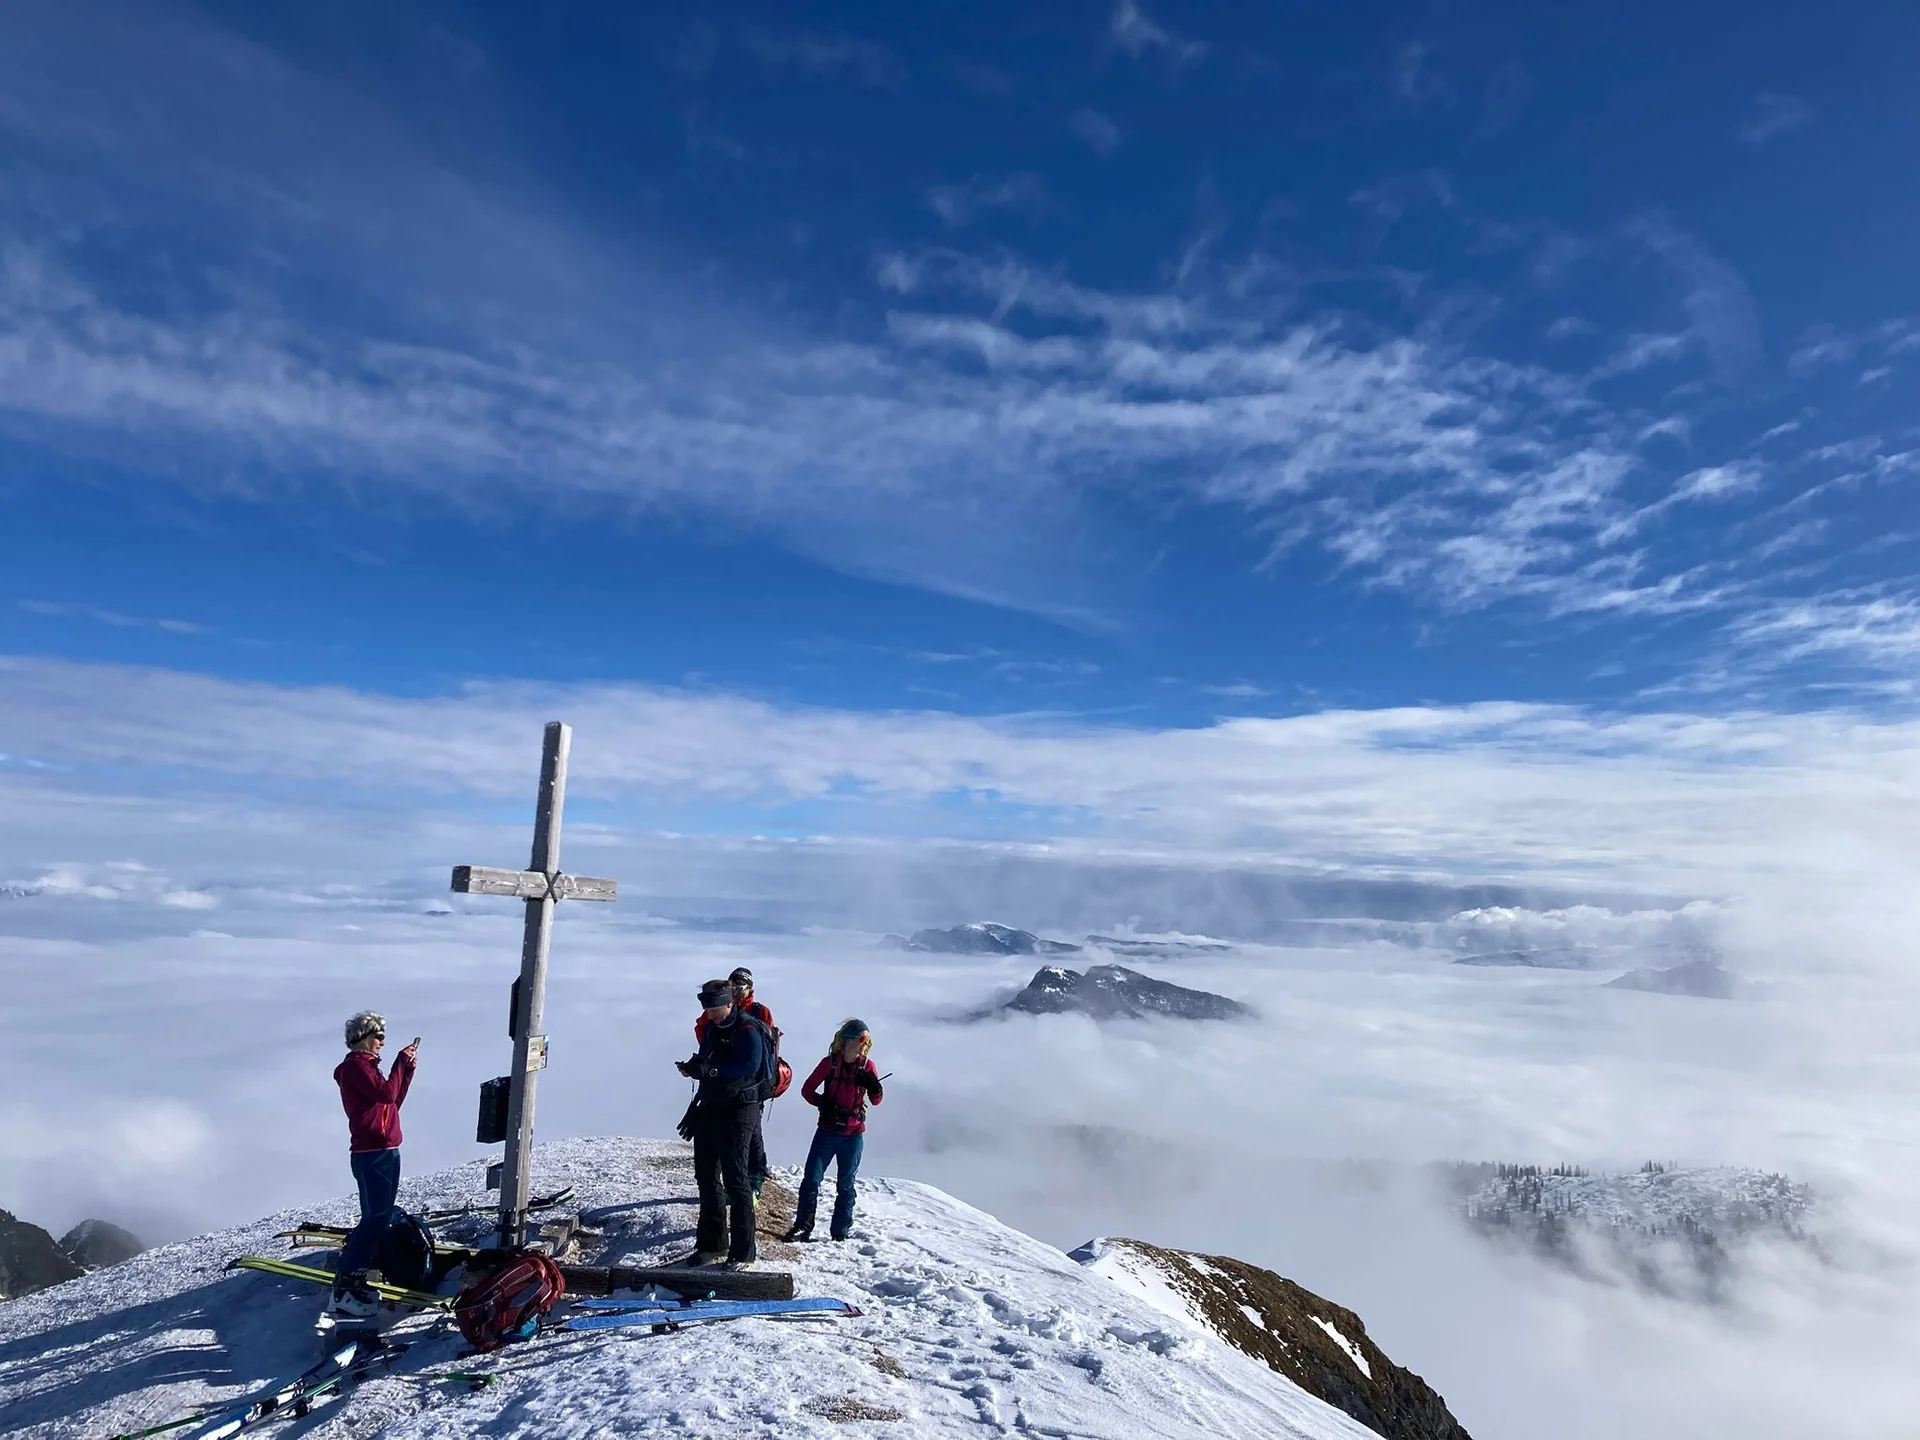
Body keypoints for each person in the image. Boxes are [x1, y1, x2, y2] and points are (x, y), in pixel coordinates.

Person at [676, 978, 769, 1269]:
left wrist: (711, 1070)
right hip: (712, 1107)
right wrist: (694, 1068)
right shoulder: (714, 1029)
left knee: (736, 1180)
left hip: (740, 1110)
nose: (711, 1013)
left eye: (715, 1007)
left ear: (730, 1003)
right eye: (707, 1007)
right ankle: (711, 1245)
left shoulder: (748, 1029)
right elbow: (706, 1059)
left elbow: (749, 1066)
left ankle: (743, 1254)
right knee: (706, 1177)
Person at [331, 1011, 418, 1318]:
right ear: (365, 1038)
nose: (382, 1041)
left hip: (382, 1149)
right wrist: (398, 1063)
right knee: (376, 1219)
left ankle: (356, 1272)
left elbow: (391, 1102)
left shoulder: (366, 1069)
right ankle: (345, 1285)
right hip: (375, 1152)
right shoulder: (357, 1067)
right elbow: (386, 1093)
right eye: (379, 1036)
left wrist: (405, 1072)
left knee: (376, 1216)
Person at [785, 1018, 883, 1243]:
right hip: (829, 1131)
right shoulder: (828, 1064)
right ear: (848, 1040)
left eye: (867, 1040)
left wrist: (874, 1086)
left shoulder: (867, 1067)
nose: (865, 1044)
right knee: (811, 1178)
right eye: (862, 1039)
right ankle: (803, 1226)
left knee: (845, 1185)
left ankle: (840, 1232)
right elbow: (807, 1090)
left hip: (853, 1134)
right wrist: (824, 1104)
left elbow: (876, 1100)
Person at [694, 967, 776, 1202]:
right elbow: (704, 1032)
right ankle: (734, 1182)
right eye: (734, 986)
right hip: (724, 1082)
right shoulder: (720, 1008)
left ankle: (755, 1178)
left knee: (752, 1132)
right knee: (728, 1133)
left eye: (742, 986)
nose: (738, 991)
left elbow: (761, 1050)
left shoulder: (758, 1012)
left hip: (752, 1083)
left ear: (750, 988)